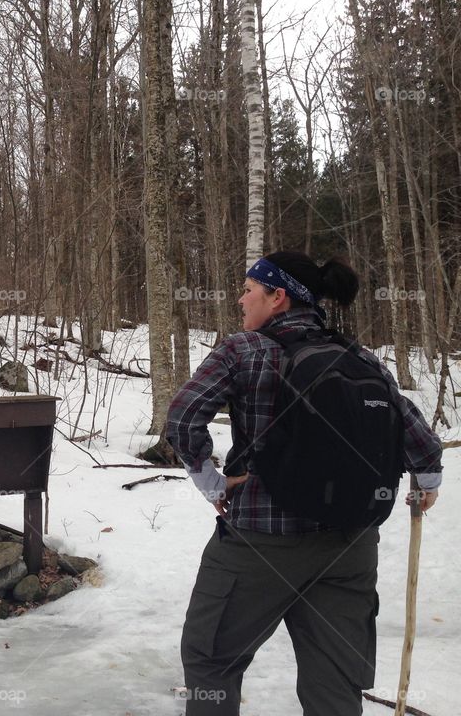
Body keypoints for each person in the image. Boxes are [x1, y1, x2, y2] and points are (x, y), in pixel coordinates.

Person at [166, 251, 442, 715]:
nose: (240, 299)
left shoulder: (242, 350)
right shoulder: (360, 358)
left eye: (248, 289)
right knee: (334, 679)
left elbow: (182, 418)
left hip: (260, 543)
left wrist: (212, 483)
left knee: (212, 660)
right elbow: (420, 441)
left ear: (278, 297)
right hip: (349, 546)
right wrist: (428, 481)